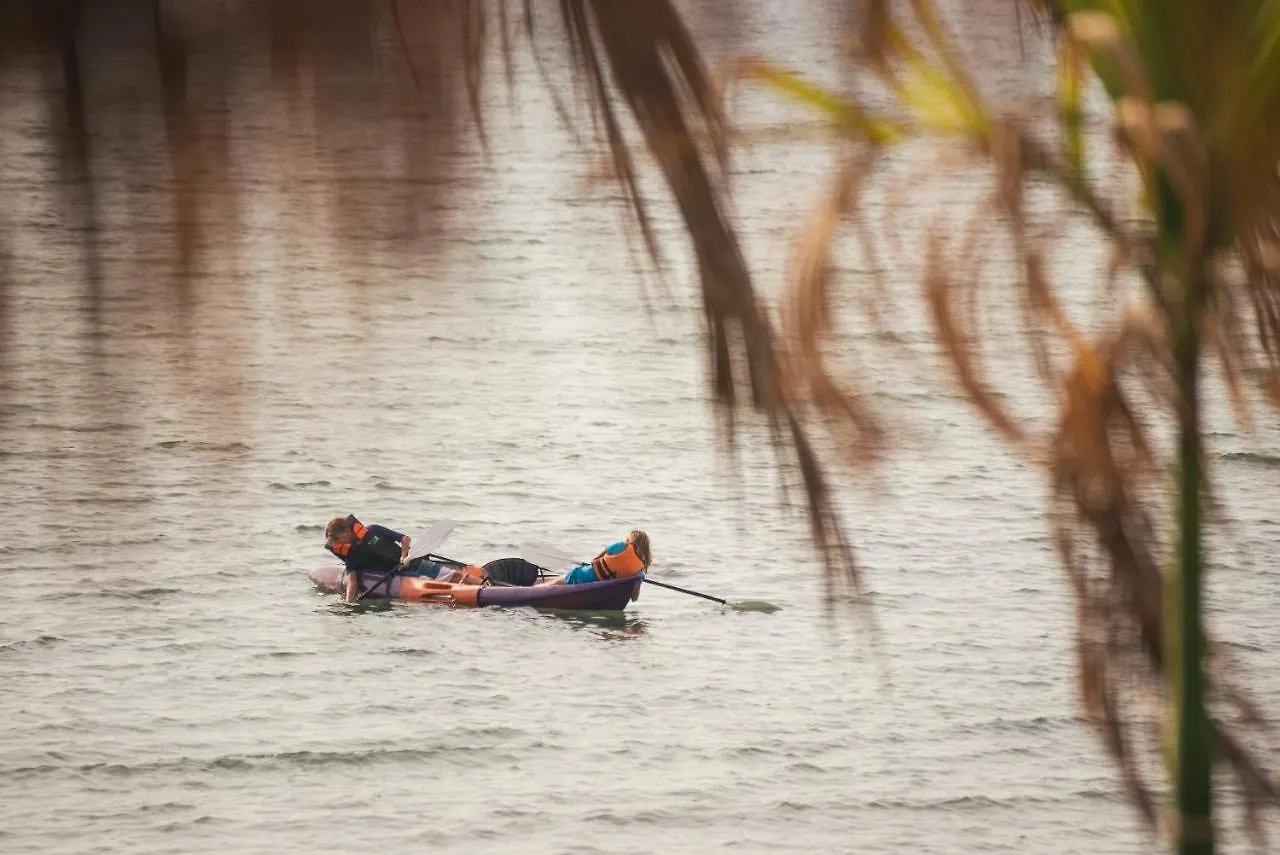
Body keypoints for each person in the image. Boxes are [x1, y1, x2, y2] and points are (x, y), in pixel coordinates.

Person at [539, 530, 651, 586]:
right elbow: (634, 598)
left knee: (554, 584)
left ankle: (535, 590)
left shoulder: (623, 546)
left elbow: (595, 559)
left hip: (583, 575)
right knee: (560, 580)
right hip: (604, 586)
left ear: (629, 541)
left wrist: (599, 564)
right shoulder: (639, 571)